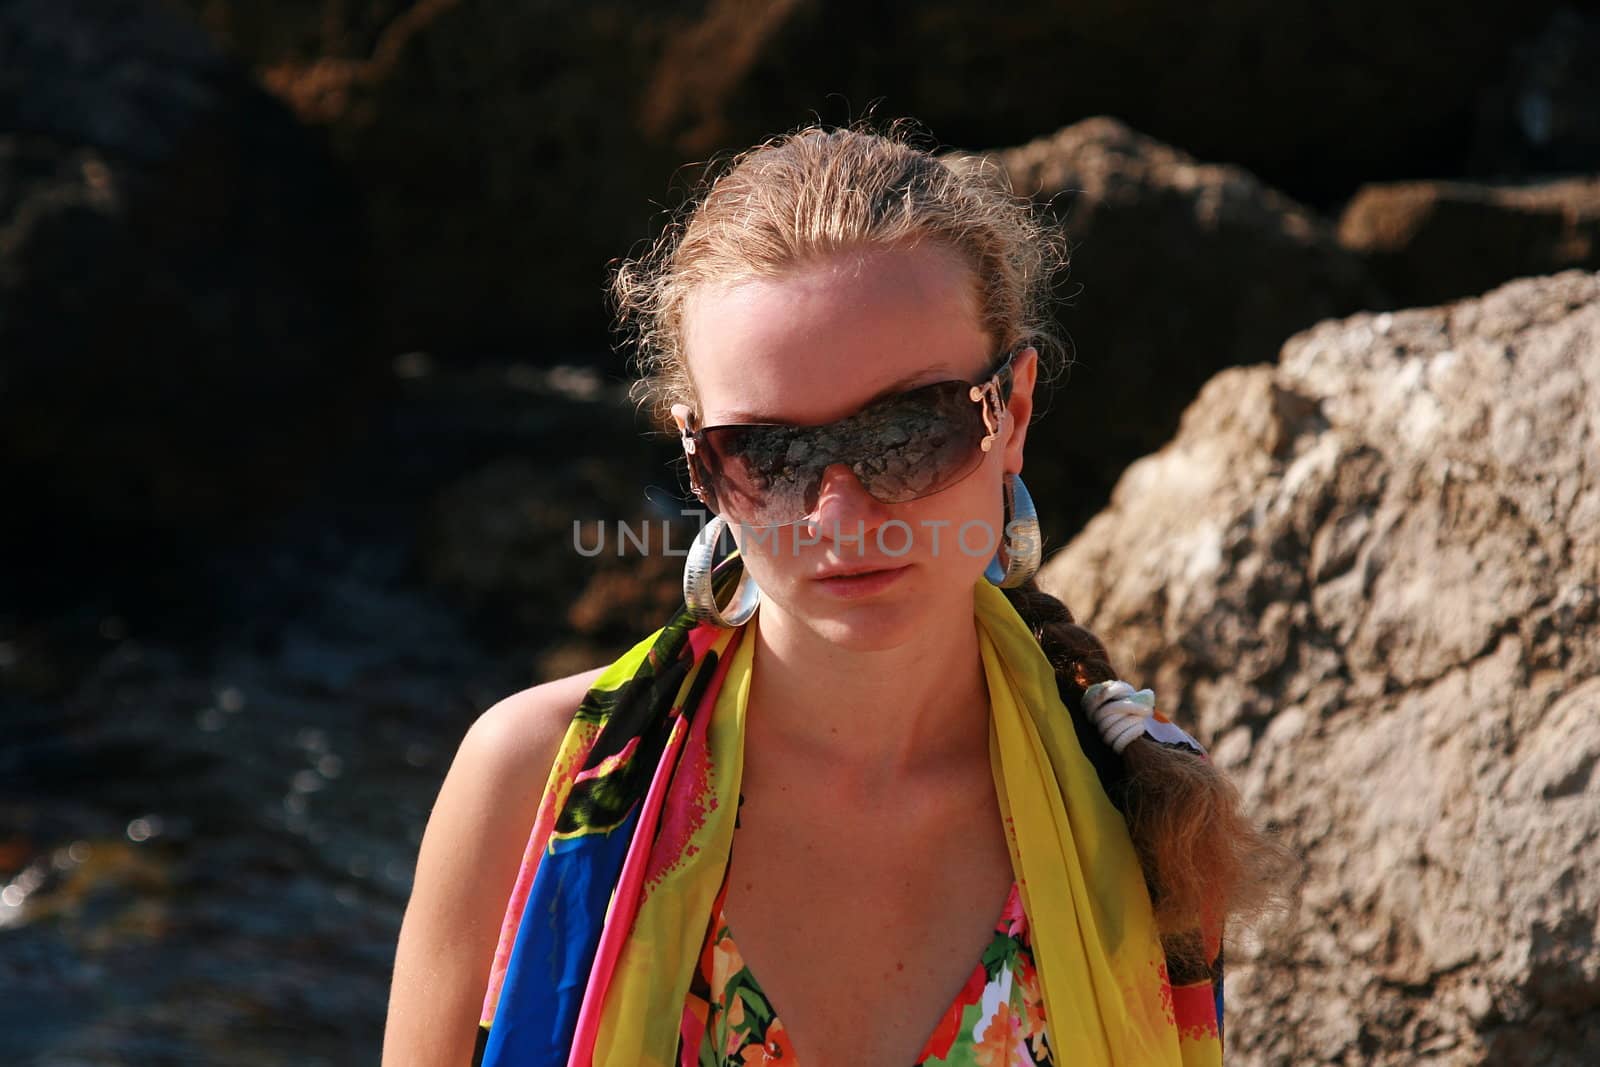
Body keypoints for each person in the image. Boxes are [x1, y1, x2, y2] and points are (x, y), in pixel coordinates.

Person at [383, 122, 1286, 1067]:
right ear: (701, 463)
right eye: (768, 452)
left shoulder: (1146, 805)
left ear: (1010, 413)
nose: (842, 518)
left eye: (908, 430)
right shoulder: (533, 783)